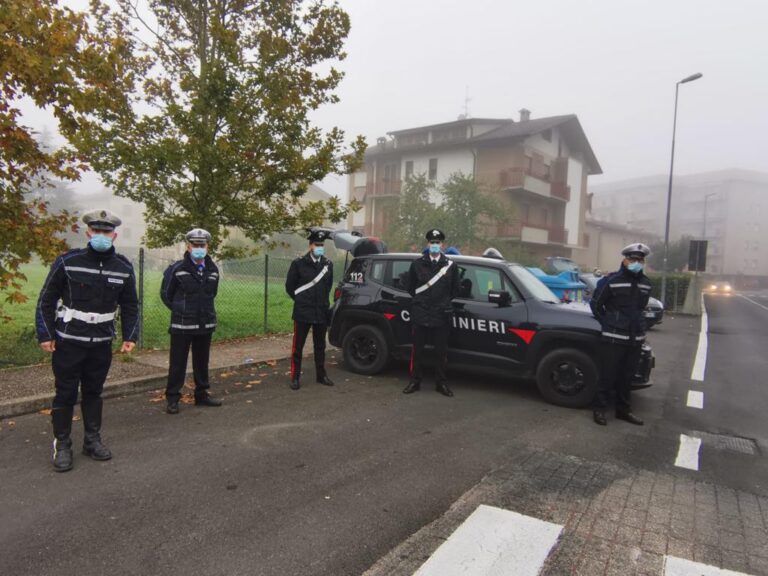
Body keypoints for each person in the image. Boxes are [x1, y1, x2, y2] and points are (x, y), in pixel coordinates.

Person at [35, 209, 139, 472]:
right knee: (66, 393)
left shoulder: (124, 267)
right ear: (88, 233)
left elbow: (130, 306)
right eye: (97, 231)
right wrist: (45, 333)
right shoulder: (67, 261)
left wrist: (130, 335)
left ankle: (91, 440)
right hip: (69, 341)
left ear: (114, 235)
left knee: (94, 392)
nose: (102, 236)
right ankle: (63, 444)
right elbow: (46, 299)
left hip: (101, 342)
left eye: (107, 232)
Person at [589, 242, 652, 426]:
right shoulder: (612, 281)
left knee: (627, 377)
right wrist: (607, 323)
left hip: (635, 339)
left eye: (639, 260)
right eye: (632, 259)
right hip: (614, 338)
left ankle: (623, 411)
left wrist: (640, 327)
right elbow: (596, 305)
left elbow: (641, 308)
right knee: (608, 375)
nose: (636, 262)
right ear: (624, 260)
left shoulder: (646, 284)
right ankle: (599, 409)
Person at [161, 228, 222, 414]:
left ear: (207, 247)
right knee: (177, 363)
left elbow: (212, 294)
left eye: (202, 245)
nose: (199, 248)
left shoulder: (213, 269)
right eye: (195, 245)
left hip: (205, 324)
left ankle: (201, 395)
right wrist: (182, 310)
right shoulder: (177, 269)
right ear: (188, 247)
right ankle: (173, 398)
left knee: (202, 362)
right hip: (182, 325)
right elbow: (166, 295)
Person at [402, 229, 460, 397]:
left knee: (441, 352)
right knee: (417, 351)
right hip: (421, 313)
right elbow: (410, 288)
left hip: (441, 315)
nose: (434, 245)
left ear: (442, 245)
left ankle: (441, 383)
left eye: (437, 242)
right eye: (432, 242)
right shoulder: (417, 264)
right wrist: (422, 302)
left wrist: (442, 303)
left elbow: (455, 289)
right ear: (428, 244)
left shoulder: (450, 265)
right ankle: (415, 381)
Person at [285, 229, 335, 390]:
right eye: (317, 244)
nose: (320, 247)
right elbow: (290, 286)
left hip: (320, 311)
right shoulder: (298, 263)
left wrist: (321, 302)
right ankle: (295, 377)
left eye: (322, 244)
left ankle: (321, 375)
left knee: (320, 346)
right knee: (297, 347)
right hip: (303, 311)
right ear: (310, 245)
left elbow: (327, 287)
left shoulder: (328, 264)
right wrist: (301, 300)